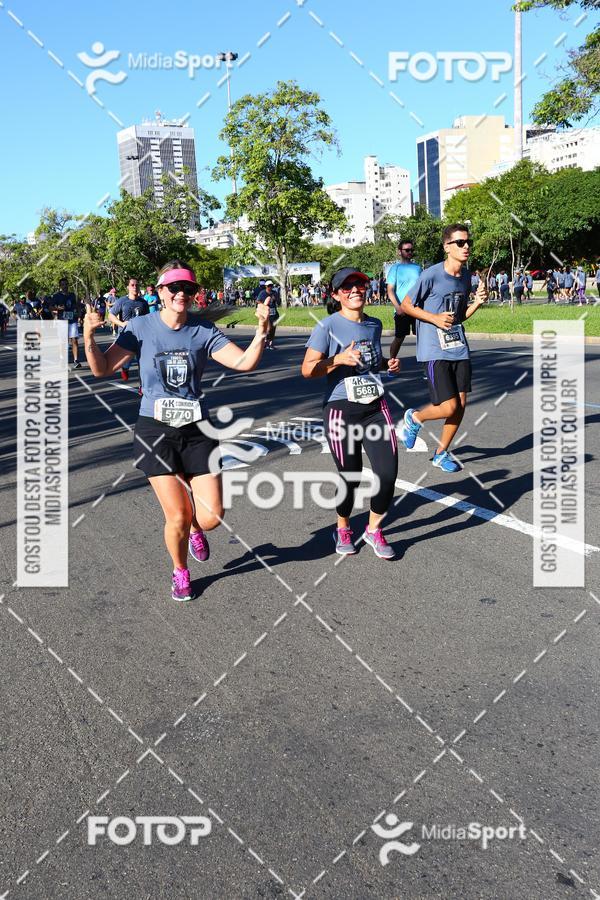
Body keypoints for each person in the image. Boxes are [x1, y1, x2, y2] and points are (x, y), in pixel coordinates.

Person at [83, 259, 270, 602]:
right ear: (160, 291)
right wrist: (89, 337)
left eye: (188, 288)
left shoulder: (203, 331)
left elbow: (243, 363)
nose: (181, 293)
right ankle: (180, 570)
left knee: (211, 517)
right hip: (155, 430)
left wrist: (261, 332)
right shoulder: (140, 327)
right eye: (174, 287)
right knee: (179, 515)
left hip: (197, 429)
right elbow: (102, 368)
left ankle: (197, 529)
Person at [302, 267, 400, 559]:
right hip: (340, 410)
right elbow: (307, 370)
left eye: (360, 284)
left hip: (375, 407)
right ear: (336, 295)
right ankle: (343, 526)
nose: (355, 290)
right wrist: (337, 359)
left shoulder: (374, 324)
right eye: (347, 287)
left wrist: (387, 364)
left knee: (387, 474)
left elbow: (370, 361)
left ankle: (373, 529)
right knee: (350, 475)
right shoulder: (326, 326)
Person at [399, 223, 488, 473]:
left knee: (460, 405)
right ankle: (415, 418)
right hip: (434, 349)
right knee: (448, 406)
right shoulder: (431, 275)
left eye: (468, 242)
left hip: (458, 347)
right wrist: (434, 318)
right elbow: (406, 305)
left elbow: (458, 317)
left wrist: (477, 303)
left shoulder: (466, 277)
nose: (466, 246)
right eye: (460, 242)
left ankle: (441, 453)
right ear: (447, 247)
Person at [385, 239, 422, 376]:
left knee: (423, 337)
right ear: (400, 252)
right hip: (402, 309)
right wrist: (398, 307)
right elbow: (390, 290)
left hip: (417, 308)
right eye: (407, 250)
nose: (410, 252)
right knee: (399, 338)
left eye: (411, 250)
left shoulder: (418, 268)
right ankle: (391, 364)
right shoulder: (395, 268)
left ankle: (428, 368)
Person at [108, 277, 148, 381]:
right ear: (128, 287)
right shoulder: (122, 301)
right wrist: (121, 323)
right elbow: (111, 315)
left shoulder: (143, 302)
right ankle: (125, 368)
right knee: (126, 360)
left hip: (140, 336)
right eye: (132, 285)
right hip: (126, 334)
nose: (135, 287)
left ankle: (143, 384)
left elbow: (148, 319)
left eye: (137, 285)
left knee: (143, 361)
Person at [51, 277, 81, 368]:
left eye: (66, 284)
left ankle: (76, 360)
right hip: (62, 321)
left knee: (74, 340)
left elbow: (77, 305)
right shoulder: (56, 296)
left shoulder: (72, 295)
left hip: (72, 320)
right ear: (60, 286)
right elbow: (50, 307)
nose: (65, 286)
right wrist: (58, 308)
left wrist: (79, 314)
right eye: (63, 284)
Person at [257, 280, 279, 349]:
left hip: (274, 313)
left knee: (273, 329)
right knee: (268, 328)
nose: (270, 287)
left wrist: (276, 299)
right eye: (269, 286)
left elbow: (279, 302)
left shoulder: (274, 293)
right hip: (266, 313)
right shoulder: (262, 293)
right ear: (266, 286)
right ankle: (265, 342)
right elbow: (258, 301)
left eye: (271, 285)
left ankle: (271, 344)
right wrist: (264, 305)